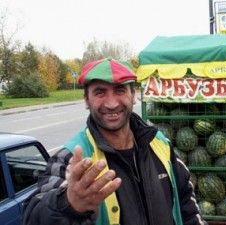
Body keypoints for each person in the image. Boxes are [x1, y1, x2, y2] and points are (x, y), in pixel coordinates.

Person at [22, 58, 207, 225]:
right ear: (86, 99)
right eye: (100, 92)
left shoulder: (159, 143)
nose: (111, 103)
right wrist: (67, 204)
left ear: (133, 95)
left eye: (120, 90)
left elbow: (186, 202)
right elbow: (33, 215)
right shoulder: (71, 157)